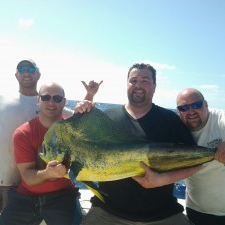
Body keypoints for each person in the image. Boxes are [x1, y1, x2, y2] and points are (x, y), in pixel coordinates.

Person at [0, 60, 102, 225]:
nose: (51, 102)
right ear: (39, 100)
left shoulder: (58, 112)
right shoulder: (3, 100)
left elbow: (78, 120)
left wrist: (89, 97)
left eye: (31, 68)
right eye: (21, 69)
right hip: (2, 179)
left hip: (39, 186)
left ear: (38, 74)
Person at [79, 63, 200, 225]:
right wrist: (86, 101)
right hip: (107, 213)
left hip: (163, 215)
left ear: (154, 86)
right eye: (133, 80)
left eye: (145, 81)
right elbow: (79, 144)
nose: (138, 85)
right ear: (127, 84)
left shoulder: (170, 120)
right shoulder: (105, 119)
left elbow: (195, 162)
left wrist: (161, 180)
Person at [134, 88, 225, 225]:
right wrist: (159, 180)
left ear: (206, 104)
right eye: (184, 107)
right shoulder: (175, 129)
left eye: (196, 105)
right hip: (199, 214)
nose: (191, 111)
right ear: (178, 111)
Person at [0, 82, 85, 225]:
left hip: (63, 196)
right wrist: (48, 173)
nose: (51, 102)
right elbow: (28, 177)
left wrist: (88, 102)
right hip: (26, 197)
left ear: (64, 102)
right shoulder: (23, 133)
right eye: (45, 97)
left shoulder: (74, 133)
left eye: (57, 98)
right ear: (38, 101)